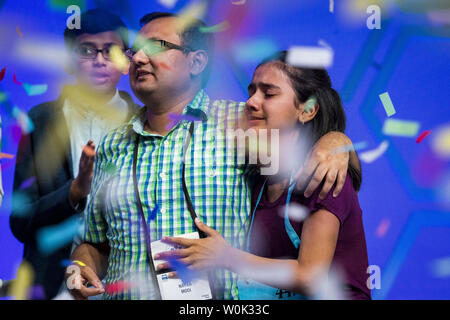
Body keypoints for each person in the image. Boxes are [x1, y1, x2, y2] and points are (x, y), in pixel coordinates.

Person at [68, 12, 360, 300]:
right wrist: (80, 266)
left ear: (196, 62)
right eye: (134, 50)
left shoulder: (244, 122)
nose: (139, 58)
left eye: (156, 47)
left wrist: (336, 142)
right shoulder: (111, 146)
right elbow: (95, 244)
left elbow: (307, 136)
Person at [157, 51, 371, 300]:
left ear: (308, 110)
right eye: (251, 92)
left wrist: (224, 256)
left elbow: (310, 276)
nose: (251, 102)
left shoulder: (324, 176)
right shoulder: (259, 181)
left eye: (269, 93)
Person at [9, 9, 140, 299]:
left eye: (112, 51)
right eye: (86, 50)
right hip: (53, 285)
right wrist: (73, 191)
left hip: (129, 283)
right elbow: (19, 222)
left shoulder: (144, 122)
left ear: (126, 61)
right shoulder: (38, 121)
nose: (100, 60)